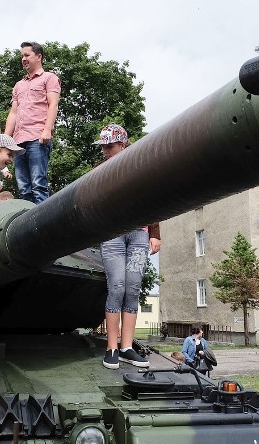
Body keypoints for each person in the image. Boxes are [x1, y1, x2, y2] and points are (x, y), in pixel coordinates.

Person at [94, 124, 160, 370]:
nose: (105, 151)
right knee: (117, 286)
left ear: (123, 144)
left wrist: (155, 232)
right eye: (103, 146)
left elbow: (153, 198)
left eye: (109, 146)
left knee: (133, 288)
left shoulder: (141, 164)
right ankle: (111, 347)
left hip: (138, 235)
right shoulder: (100, 169)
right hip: (112, 235)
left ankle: (127, 347)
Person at [5, 41, 60, 204]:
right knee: (23, 187)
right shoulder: (18, 85)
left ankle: (43, 226)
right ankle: (28, 223)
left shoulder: (49, 78)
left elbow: (53, 104)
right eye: (22, 56)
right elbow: (13, 113)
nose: (23, 59)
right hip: (18, 140)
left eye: (27, 55)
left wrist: (47, 130)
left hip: (37, 137)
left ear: (39, 56)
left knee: (38, 184)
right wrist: (5, 141)